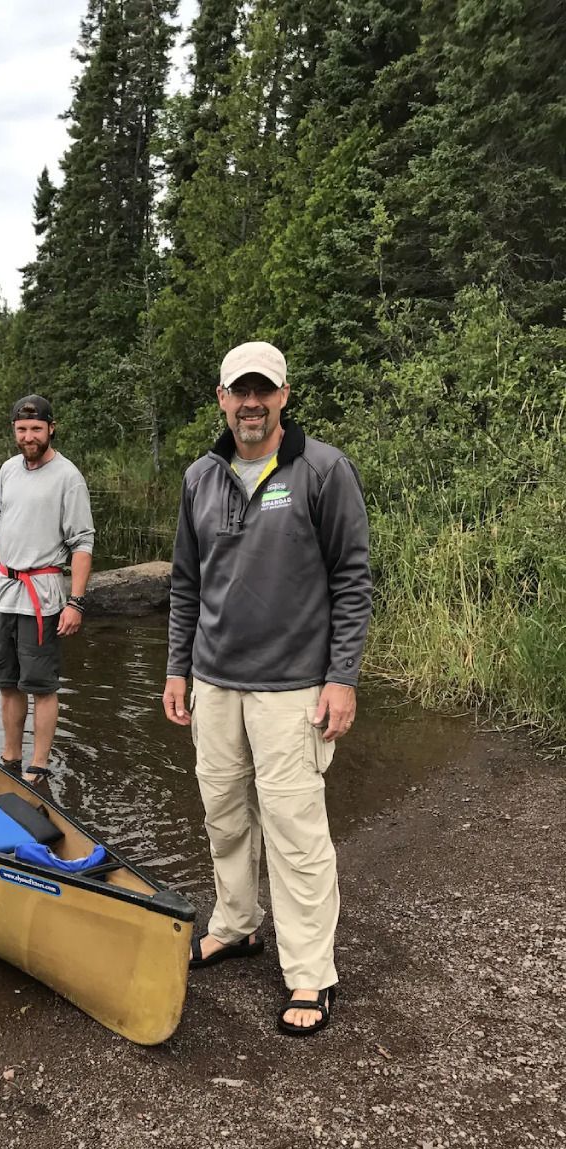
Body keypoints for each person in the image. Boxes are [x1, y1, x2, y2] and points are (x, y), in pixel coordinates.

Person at [163, 342, 372, 1037]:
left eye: (264, 390)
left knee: (294, 828)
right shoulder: (200, 476)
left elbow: (352, 578)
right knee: (223, 812)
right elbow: (186, 584)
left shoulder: (322, 470)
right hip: (214, 682)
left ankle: (310, 971)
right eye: (238, 391)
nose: (251, 403)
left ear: (284, 395)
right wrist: (176, 668)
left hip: (293, 688)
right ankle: (237, 923)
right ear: (219, 397)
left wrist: (342, 677)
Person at [0, 395, 94, 783]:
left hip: (42, 595)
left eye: (36, 429)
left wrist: (75, 601)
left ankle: (38, 766)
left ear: (51, 428)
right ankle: (10, 759)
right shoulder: (8, 471)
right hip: (5, 591)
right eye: (22, 430)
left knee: (41, 685)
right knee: (6, 682)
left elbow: (82, 543)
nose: (28, 436)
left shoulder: (67, 476)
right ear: (14, 431)